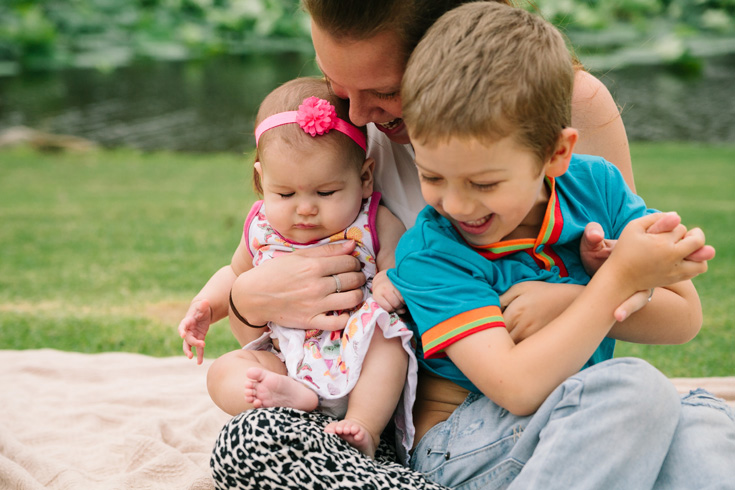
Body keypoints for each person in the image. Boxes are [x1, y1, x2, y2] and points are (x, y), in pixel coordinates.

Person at [210, 2, 734, 490]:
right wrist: (244, 299)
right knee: (633, 392)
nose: (358, 113)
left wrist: (591, 292)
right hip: (464, 424)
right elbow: (516, 384)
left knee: (701, 421)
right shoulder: (420, 235)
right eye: (433, 176)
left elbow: (681, 316)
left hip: (573, 401)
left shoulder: (587, 176)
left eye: (385, 92)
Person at [178, 77, 417, 457]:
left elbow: (397, 264)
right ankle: (292, 399)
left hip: (356, 351)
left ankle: (363, 426)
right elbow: (237, 274)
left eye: (325, 192)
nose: (304, 208)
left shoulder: (374, 221)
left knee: (390, 342)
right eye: (285, 194)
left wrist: (389, 278)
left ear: (365, 178)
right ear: (261, 180)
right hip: (285, 359)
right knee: (224, 372)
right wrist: (207, 305)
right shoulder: (261, 227)